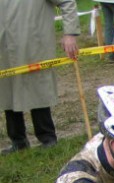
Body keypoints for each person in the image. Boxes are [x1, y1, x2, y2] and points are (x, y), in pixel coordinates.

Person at [0, 0, 80, 155]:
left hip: (33, 45)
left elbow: (67, 2)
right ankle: (18, 141)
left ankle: (47, 138)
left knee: (38, 89)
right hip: (5, 48)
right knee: (7, 92)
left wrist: (69, 33)